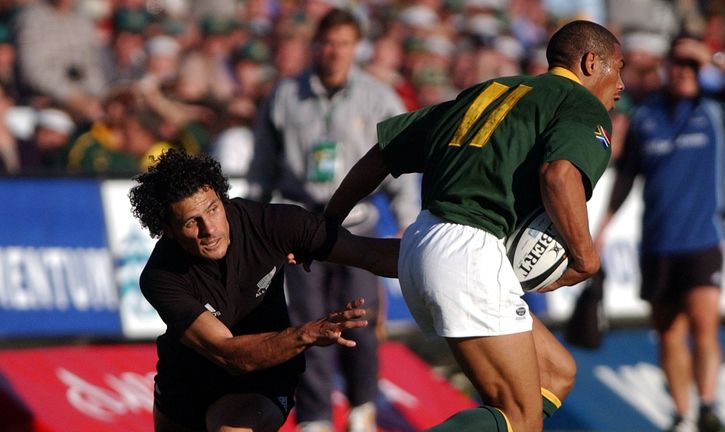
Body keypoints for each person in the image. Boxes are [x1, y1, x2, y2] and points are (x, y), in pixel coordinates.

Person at [324, 20, 624, 431]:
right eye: (618, 67)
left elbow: (382, 154)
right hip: (469, 254)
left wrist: (329, 220)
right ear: (592, 62)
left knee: (556, 373)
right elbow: (558, 175)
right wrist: (586, 258)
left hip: (425, 241)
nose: (621, 84)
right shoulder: (581, 104)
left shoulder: (490, 90)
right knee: (520, 417)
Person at [129, 149, 400, 432]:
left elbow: (370, 253)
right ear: (168, 230)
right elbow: (228, 354)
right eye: (190, 222)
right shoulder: (160, 276)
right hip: (188, 383)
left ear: (222, 198)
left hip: (265, 375)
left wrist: (439, 263)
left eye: (212, 209)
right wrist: (308, 333)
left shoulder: (271, 224)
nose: (208, 228)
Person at [251, 9, 420, 432]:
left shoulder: (379, 96)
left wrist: (408, 222)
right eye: (327, 43)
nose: (334, 52)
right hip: (298, 223)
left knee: (360, 323)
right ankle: (315, 417)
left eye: (344, 43)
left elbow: (403, 161)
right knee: (307, 327)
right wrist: (256, 224)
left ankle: (362, 407)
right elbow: (262, 166)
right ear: (316, 45)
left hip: (357, 225)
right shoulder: (285, 95)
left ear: (356, 47)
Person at [596, 36, 725, 432]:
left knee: (704, 326)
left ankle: (707, 404)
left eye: (691, 68)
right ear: (666, 69)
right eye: (677, 65)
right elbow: (625, 177)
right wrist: (602, 228)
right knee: (669, 334)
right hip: (657, 244)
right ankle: (682, 415)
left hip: (703, 241)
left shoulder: (714, 110)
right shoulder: (646, 117)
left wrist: (714, 59)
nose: (682, 73)